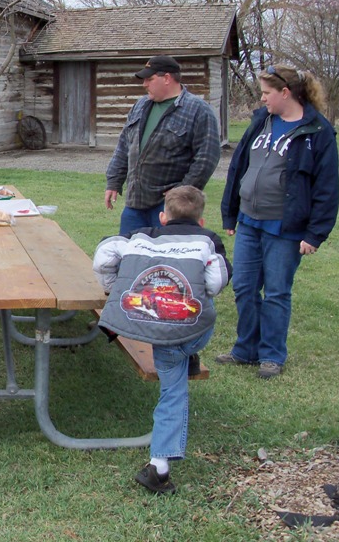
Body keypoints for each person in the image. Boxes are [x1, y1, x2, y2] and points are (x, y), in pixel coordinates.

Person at [93, 186, 231, 494]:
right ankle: (159, 465)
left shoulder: (140, 236)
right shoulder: (207, 240)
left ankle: (161, 465)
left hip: (143, 324)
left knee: (173, 387)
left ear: (163, 216)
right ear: (202, 218)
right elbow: (216, 282)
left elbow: (103, 255)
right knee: (203, 311)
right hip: (187, 331)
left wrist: (112, 285)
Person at [218, 64, 339, 379]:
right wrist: (231, 211)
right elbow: (238, 167)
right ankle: (246, 349)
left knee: (276, 292)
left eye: (267, 93)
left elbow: (327, 187)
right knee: (244, 287)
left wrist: (315, 234)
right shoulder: (261, 122)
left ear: (285, 93)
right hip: (249, 220)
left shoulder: (318, 131)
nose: (262, 99)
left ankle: (271, 355)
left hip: (285, 228)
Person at [104, 55, 221, 235]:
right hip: (135, 204)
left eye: (149, 79)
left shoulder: (198, 110)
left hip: (170, 206)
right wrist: (113, 181)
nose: (144, 84)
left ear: (167, 78)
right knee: (131, 257)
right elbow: (124, 146)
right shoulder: (140, 105)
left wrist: (181, 193)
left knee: (166, 260)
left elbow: (206, 158)